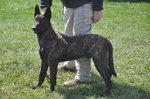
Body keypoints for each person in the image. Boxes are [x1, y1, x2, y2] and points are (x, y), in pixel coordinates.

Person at [40, 0, 103, 87]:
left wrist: (98, 8)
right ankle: (70, 64)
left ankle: (83, 77)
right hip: (68, 5)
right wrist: (45, 5)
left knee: (82, 43)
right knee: (68, 37)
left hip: (85, 4)